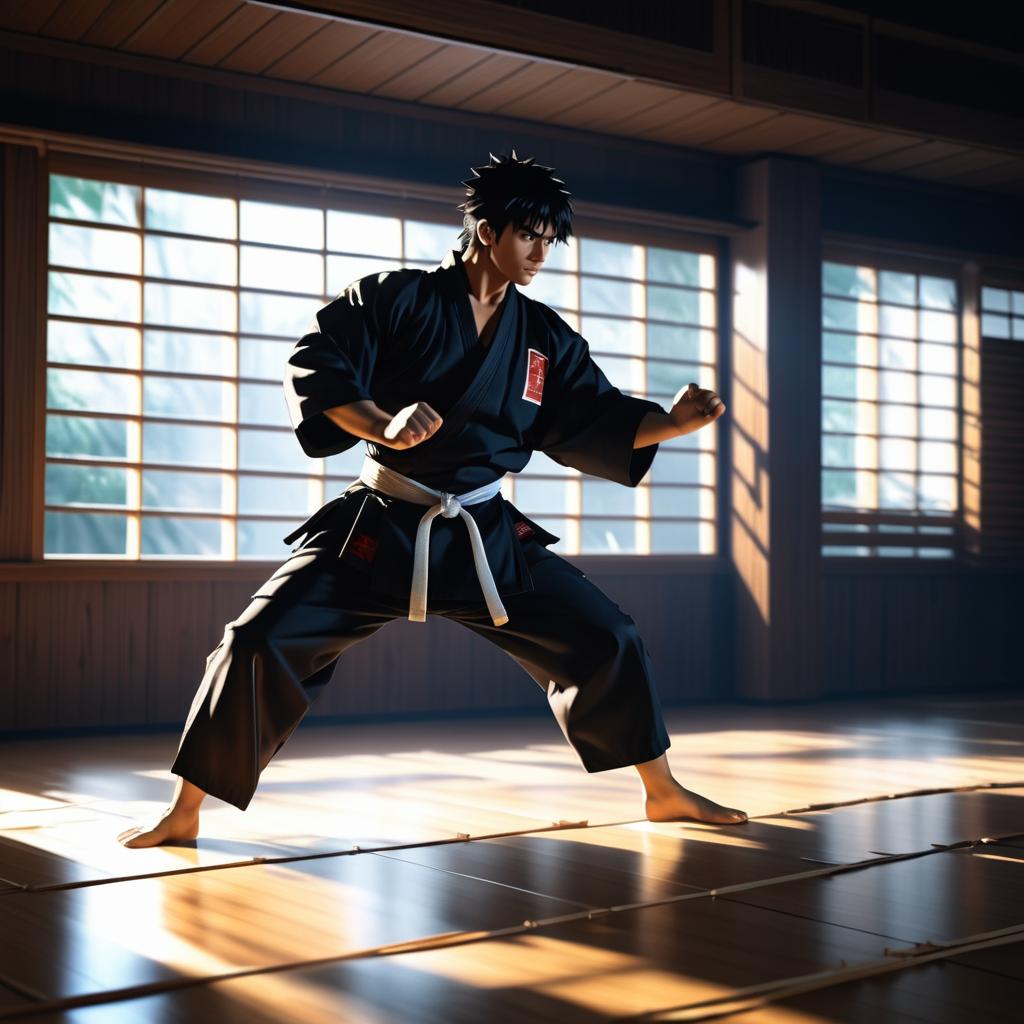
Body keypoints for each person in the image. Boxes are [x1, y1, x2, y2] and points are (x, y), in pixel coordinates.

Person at [118, 150, 746, 848]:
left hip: (483, 534)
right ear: (487, 231)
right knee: (256, 641)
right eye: (529, 235)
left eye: (549, 240)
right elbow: (320, 363)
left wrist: (675, 422)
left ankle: (661, 792)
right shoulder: (395, 298)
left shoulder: (542, 339)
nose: (541, 252)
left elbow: (593, 416)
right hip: (379, 527)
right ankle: (184, 810)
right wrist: (383, 424)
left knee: (607, 636)